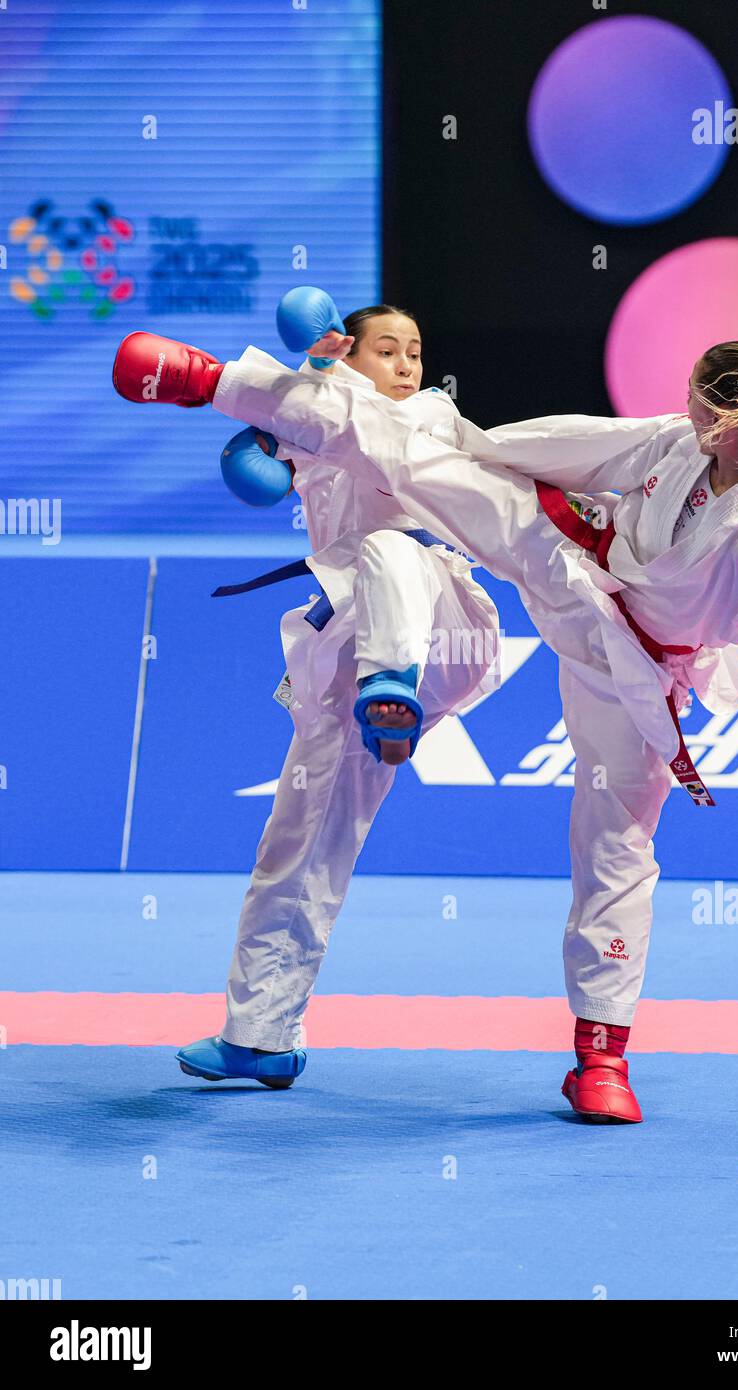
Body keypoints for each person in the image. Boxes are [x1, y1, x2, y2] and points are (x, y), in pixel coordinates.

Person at [113, 309, 738, 1121]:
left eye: (699, 404)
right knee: (426, 453)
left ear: (734, 422)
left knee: (616, 846)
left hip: (640, 673)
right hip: (573, 566)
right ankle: (208, 379)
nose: (684, 410)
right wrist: (483, 450)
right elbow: (587, 443)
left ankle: (600, 1057)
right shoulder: (675, 439)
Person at [128, 295, 501, 1087]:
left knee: (390, 549)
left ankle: (392, 684)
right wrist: (270, 437)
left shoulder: (430, 414)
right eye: (388, 350)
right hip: (346, 653)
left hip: (441, 625)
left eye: (415, 348)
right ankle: (262, 1034)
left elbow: (347, 418)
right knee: (297, 844)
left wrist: (300, 374)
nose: (408, 363)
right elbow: (272, 463)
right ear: (353, 352)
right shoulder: (317, 419)